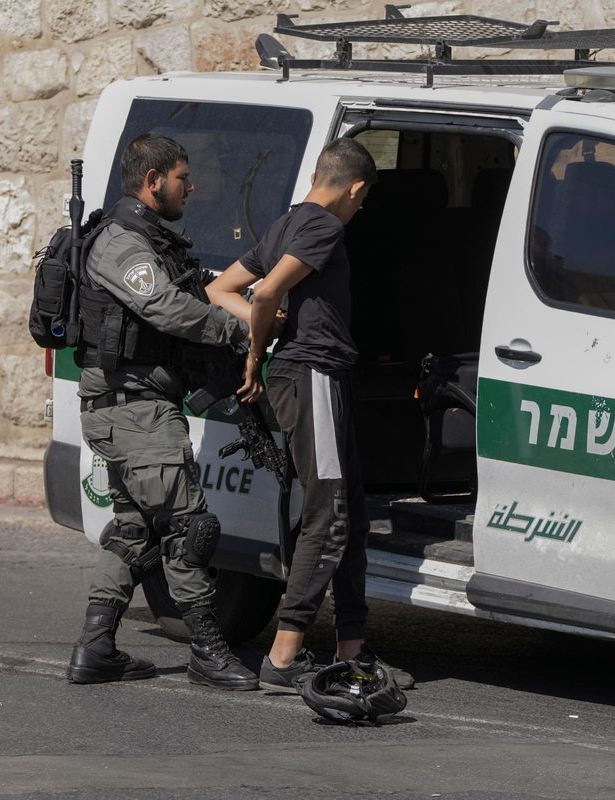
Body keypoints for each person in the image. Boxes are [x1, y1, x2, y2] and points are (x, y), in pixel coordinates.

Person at [207, 138, 414, 691]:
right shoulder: (325, 226)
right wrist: (258, 349)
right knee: (330, 517)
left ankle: (352, 648)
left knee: (351, 514)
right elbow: (266, 291)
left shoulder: (283, 225)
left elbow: (220, 288)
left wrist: (267, 325)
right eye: (363, 200)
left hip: (318, 376)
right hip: (312, 374)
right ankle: (284, 654)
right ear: (356, 189)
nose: (360, 209)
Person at [66, 134, 259, 691]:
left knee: (133, 532)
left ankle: (96, 649)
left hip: (133, 408)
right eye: (182, 178)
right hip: (135, 411)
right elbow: (164, 307)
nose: (191, 187)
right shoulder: (121, 244)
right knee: (188, 527)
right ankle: (207, 651)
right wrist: (235, 327)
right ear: (152, 182)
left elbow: (182, 288)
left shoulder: (149, 238)